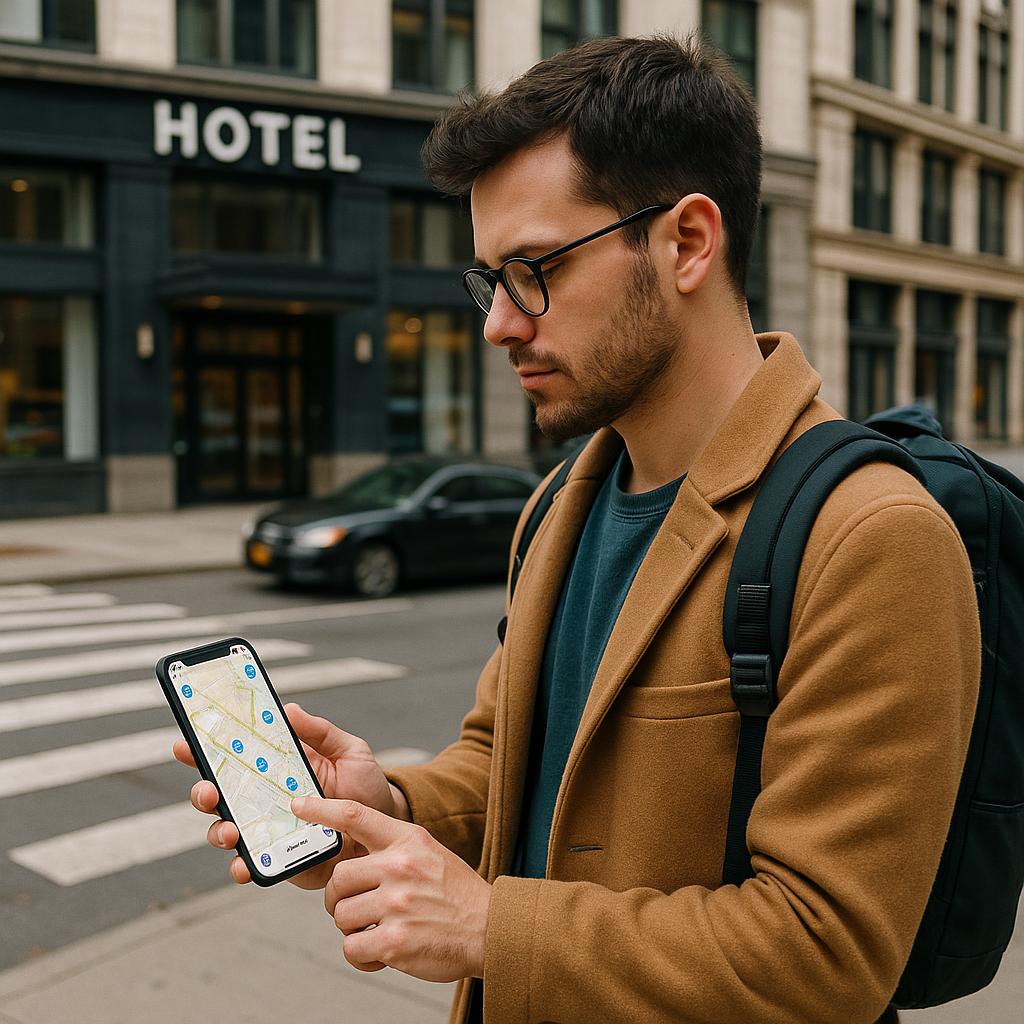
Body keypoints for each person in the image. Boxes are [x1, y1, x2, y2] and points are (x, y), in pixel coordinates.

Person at [174, 33, 980, 1024]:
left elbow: (829, 951)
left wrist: (489, 928)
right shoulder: (557, 507)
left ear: (686, 241)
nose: (498, 324)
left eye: (532, 268)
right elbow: (501, 763)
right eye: (489, 279)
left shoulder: (870, 534)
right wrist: (382, 811)